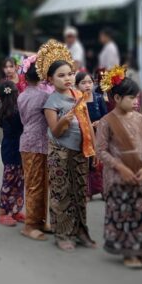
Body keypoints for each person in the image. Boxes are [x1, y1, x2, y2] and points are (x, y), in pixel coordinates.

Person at [95, 67, 142, 269]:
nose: (136, 102)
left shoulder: (139, 118)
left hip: (140, 173)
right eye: (132, 98)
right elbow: (101, 151)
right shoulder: (106, 122)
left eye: (137, 97)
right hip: (117, 177)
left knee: (141, 213)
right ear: (118, 98)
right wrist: (120, 167)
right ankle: (128, 252)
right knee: (122, 214)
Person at [39, 40, 95, 252]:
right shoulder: (51, 102)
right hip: (60, 152)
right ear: (51, 80)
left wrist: (94, 148)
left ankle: (80, 230)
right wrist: (66, 119)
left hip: (81, 150)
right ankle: (62, 233)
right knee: (61, 192)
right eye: (61, 75)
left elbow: (88, 123)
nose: (68, 78)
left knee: (80, 191)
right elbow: (55, 131)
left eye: (70, 74)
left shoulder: (80, 95)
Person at [18, 61, 50, 240]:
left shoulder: (22, 96)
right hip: (37, 142)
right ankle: (30, 225)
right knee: (36, 184)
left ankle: (40, 220)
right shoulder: (44, 97)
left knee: (38, 183)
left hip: (29, 140)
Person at [0, 81, 25, 226]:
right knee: (13, 181)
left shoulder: (2, 111)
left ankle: (14, 210)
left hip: (9, 148)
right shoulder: (17, 112)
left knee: (14, 180)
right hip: (16, 148)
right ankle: (3, 212)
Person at [76, 72, 107, 200]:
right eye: (83, 83)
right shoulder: (76, 100)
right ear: (77, 86)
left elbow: (106, 116)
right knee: (86, 163)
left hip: (98, 135)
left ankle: (103, 190)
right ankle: (87, 192)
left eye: (89, 82)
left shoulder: (99, 98)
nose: (87, 85)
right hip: (83, 136)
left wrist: (100, 122)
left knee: (100, 162)